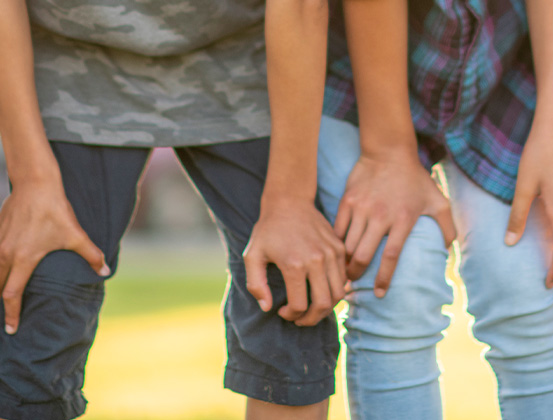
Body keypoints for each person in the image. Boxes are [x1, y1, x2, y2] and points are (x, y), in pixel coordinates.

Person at [0, 0, 442, 418]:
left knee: (290, 287)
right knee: (40, 288)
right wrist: (31, 180)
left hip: (250, 62)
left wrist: (290, 203)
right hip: (64, 66)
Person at [322, 0, 553, 418]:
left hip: (495, 66)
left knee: (528, 283)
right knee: (397, 275)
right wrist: (388, 154)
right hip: (355, 74)